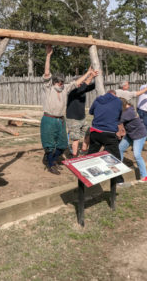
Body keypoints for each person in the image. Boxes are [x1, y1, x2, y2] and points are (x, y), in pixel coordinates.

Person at [41, 45, 94, 175]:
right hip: (49, 119)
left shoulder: (65, 89)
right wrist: (48, 56)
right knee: (49, 145)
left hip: (60, 120)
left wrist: (88, 73)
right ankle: (50, 163)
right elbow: (47, 73)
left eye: (63, 81)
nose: (62, 83)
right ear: (55, 82)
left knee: (62, 145)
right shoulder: (48, 87)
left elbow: (77, 83)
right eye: (60, 82)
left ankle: (51, 159)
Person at [88, 90, 124, 183]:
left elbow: (91, 112)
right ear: (115, 95)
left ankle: (88, 175)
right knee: (115, 157)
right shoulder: (118, 101)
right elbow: (119, 115)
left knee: (91, 154)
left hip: (95, 132)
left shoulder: (97, 100)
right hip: (109, 133)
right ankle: (118, 180)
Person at [66, 70, 98, 158]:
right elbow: (84, 86)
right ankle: (74, 155)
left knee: (88, 133)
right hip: (73, 119)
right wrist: (91, 76)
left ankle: (84, 151)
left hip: (82, 118)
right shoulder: (72, 91)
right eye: (82, 82)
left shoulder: (82, 89)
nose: (83, 83)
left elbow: (93, 86)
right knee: (76, 138)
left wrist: (98, 77)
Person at [119, 99, 147, 182]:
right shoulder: (128, 109)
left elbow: (118, 121)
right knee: (120, 149)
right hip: (130, 134)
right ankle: (119, 168)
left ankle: (144, 176)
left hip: (139, 135)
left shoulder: (128, 112)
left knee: (137, 155)